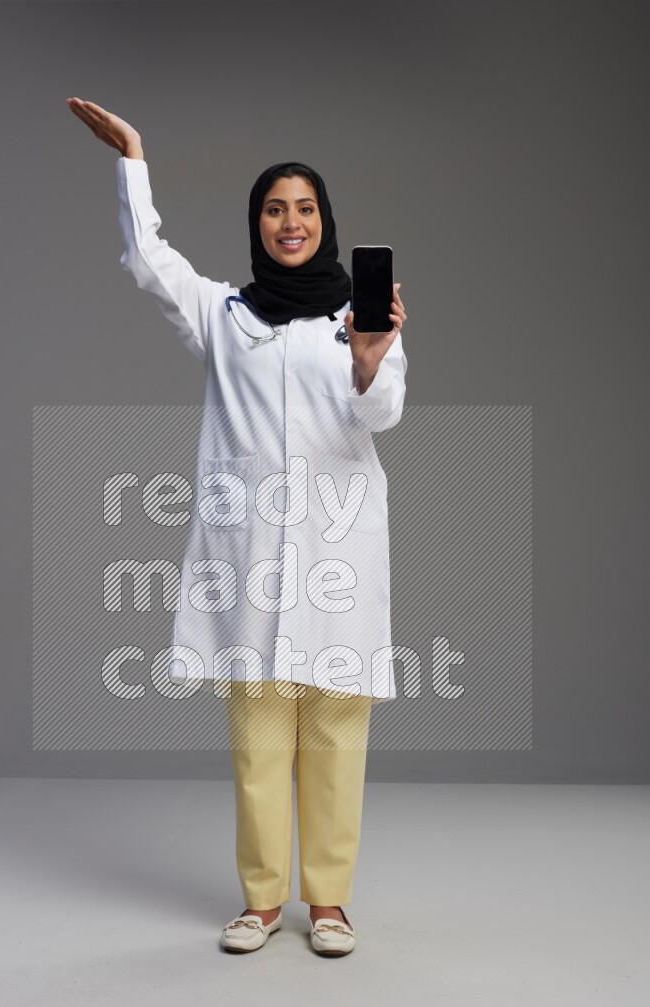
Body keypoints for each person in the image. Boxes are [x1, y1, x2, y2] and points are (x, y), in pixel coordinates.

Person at [67, 97, 408, 956]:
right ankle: (261, 900)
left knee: (335, 728)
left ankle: (327, 902)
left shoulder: (361, 322)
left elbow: (388, 413)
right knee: (258, 732)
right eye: (273, 209)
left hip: (338, 551)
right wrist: (135, 159)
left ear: (324, 221)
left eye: (304, 209)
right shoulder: (224, 316)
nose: (290, 222)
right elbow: (150, 261)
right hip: (250, 553)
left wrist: (369, 365)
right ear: (256, 224)